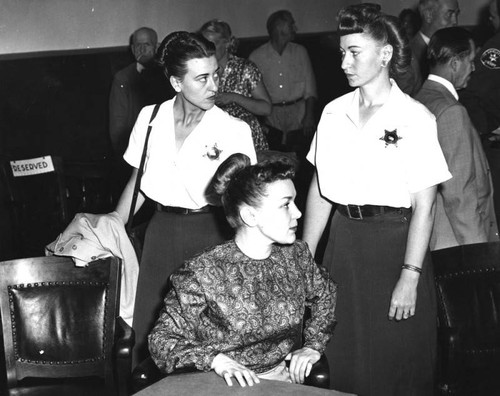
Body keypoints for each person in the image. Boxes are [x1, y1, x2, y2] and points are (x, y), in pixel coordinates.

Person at [303, 4, 451, 396]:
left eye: (354, 52)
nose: (344, 62)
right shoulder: (333, 113)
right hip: (344, 245)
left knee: (394, 364)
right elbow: (321, 189)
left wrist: (409, 275)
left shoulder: (416, 117)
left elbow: (425, 205)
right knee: (343, 358)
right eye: (341, 53)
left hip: (394, 248)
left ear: (384, 55)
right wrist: (304, 255)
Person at [115, 31, 257, 367]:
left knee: (208, 342)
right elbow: (140, 181)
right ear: (177, 83)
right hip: (160, 233)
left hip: (210, 237)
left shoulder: (234, 130)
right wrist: (114, 229)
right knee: (152, 339)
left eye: (216, 74)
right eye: (203, 78)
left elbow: (245, 205)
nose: (214, 86)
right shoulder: (150, 119)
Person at [149, 153, 337, 388]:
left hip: (279, 382)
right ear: (250, 215)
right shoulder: (202, 272)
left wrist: (312, 345)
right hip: (218, 384)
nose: (298, 213)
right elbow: (161, 340)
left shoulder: (296, 256)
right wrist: (215, 360)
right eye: (286, 204)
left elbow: (326, 294)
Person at [415, 27, 499, 251]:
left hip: (431, 236)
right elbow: (460, 195)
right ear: (454, 64)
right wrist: (479, 252)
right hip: (456, 240)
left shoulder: (421, 99)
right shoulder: (452, 111)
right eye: (470, 61)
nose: (473, 68)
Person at [109, 27, 175, 204]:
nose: (142, 49)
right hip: (134, 155)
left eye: (147, 44)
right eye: (138, 45)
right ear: (132, 49)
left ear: (157, 47)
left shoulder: (168, 77)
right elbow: (117, 125)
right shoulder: (123, 78)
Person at [249, 10, 317, 154]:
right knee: (276, 161)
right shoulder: (256, 57)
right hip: (271, 119)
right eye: (291, 25)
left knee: (299, 162)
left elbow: (310, 87)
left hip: (299, 117)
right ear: (280, 28)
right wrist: (260, 123)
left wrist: (309, 116)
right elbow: (251, 94)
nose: (295, 28)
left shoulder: (300, 52)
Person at [199, 20, 271, 152]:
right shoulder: (200, 69)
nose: (206, 50)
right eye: (203, 45)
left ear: (226, 43)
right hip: (213, 137)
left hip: (245, 137)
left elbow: (266, 108)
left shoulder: (245, 68)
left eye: (211, 45)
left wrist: (234, 97)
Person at [397, 0, 460, 95]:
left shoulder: (455, 50)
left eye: (456, 14)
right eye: (449, 14)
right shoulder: (408, 56)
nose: (455, 21)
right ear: (428, 15)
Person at [460, 0, 500, 137]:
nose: (490, 20)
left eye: (493, 16)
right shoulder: (494, 50)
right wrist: (486, 128)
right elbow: (471, 92)